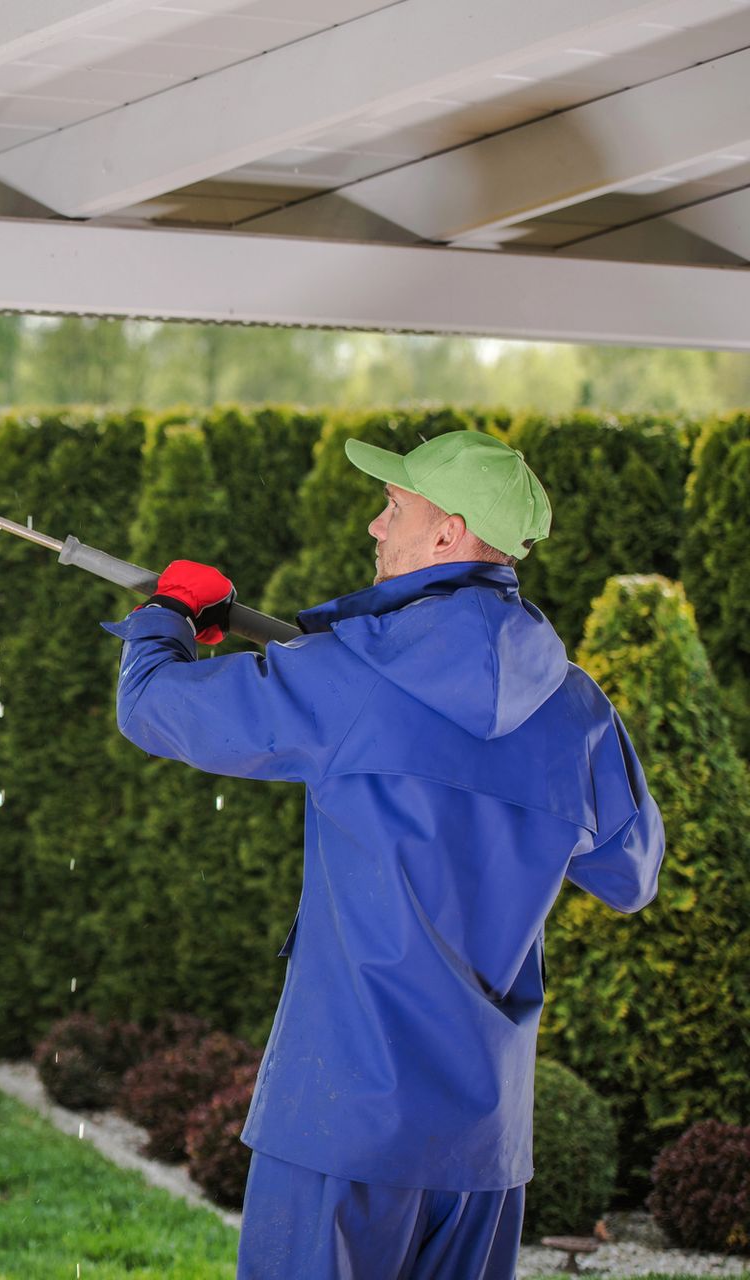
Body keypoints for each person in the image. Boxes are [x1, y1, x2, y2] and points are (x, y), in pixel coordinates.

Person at [101, 430, 664, 1279]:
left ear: (449, 535)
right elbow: (630, 875)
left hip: (343, 1120)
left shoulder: (348, 677)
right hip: (483, 1147)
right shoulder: (580, 712)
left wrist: (166, 618)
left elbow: (151, 705)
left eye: (394, 507)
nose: (374, 523)